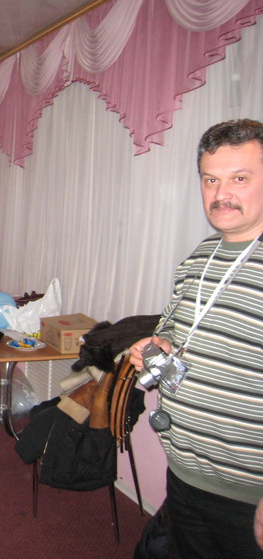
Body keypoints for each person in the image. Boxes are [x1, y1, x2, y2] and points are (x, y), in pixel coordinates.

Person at [128, 119, 263, 558]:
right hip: (186, 475)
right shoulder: (201, 256)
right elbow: (172, 328)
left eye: (239, 178)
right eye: (210, 179)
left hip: (247, 495)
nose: (221, 194)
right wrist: (158, 345)